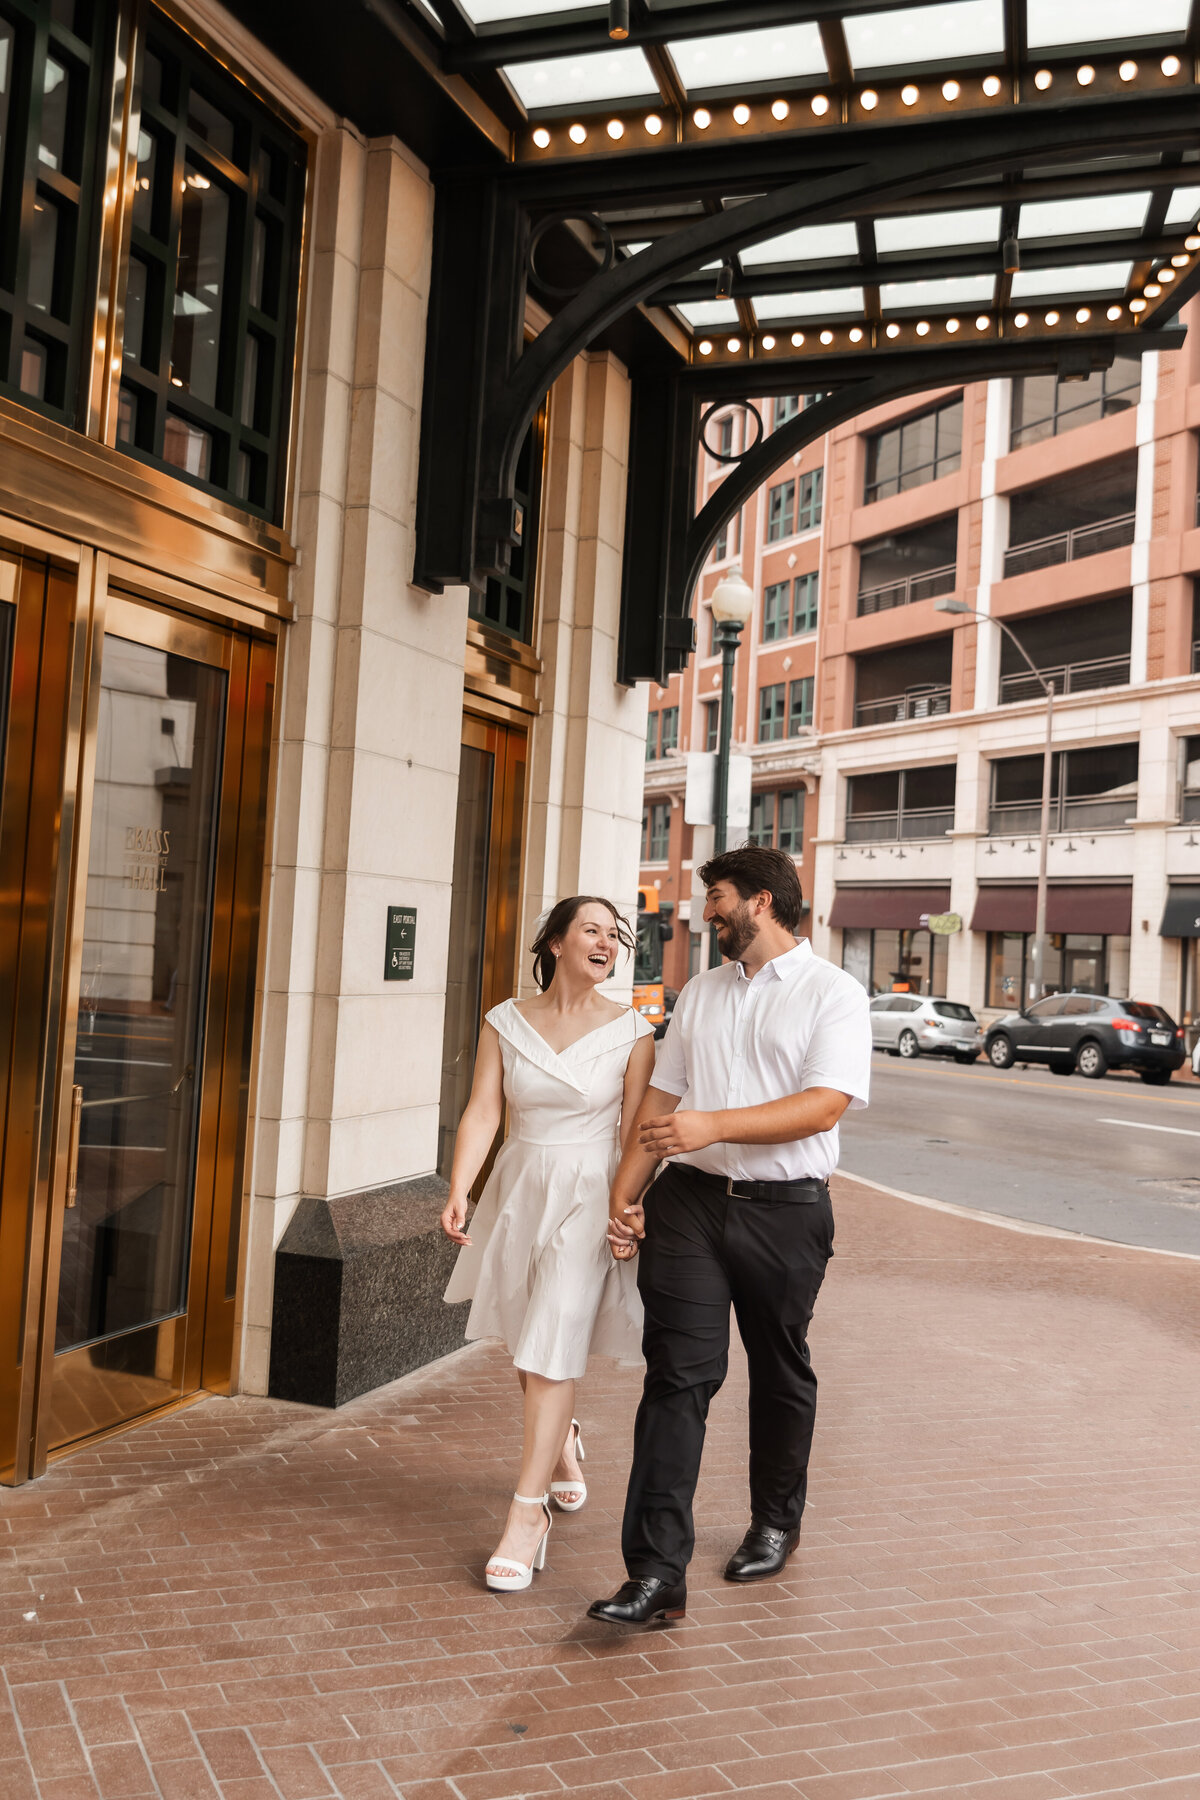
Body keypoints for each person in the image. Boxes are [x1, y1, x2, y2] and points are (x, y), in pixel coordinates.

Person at [588, 845, 871, 1627]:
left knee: (780, 1370)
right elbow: (663, 1103)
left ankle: (775, 1520)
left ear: (762, 902)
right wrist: (625, 1198)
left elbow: (822, 1106)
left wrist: (713, 1124)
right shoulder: (703, 994)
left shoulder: (834, 994)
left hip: (788, 1211)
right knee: (677, 1377)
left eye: (716, 897)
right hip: (690, 1208)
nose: (704, 911)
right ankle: (654, 1575)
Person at [441, 896, 656, 1593]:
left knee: (555, 1337)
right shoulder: (506, 1021)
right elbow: (483, 1108)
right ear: (557, 942)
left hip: (589, 1194)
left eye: (614, 936)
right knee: (528, 1336)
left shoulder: (632, 1033)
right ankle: (560, 1442)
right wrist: (460, 1187)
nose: (606, 943)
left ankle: (525, 1514)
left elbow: (633, 1135)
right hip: (521, 1184)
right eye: (591, 930)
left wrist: (628, 1209)